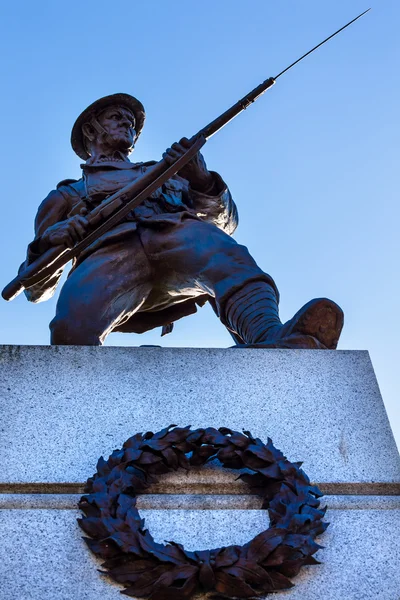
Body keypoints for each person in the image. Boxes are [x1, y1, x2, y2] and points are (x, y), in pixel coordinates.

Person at [21, 93, 343, 348]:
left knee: (228, 256)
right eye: (116, 118)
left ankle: (271, 337)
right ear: (92, 129)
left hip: (177, 239)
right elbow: (35, 288)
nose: (126, 124)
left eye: (130, 121)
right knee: (70, 327)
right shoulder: (67, 195)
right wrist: (50, 240)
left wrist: (201, 180)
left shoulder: (164, 172)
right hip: (109, 259)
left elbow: (225, 222)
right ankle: (79, 396)